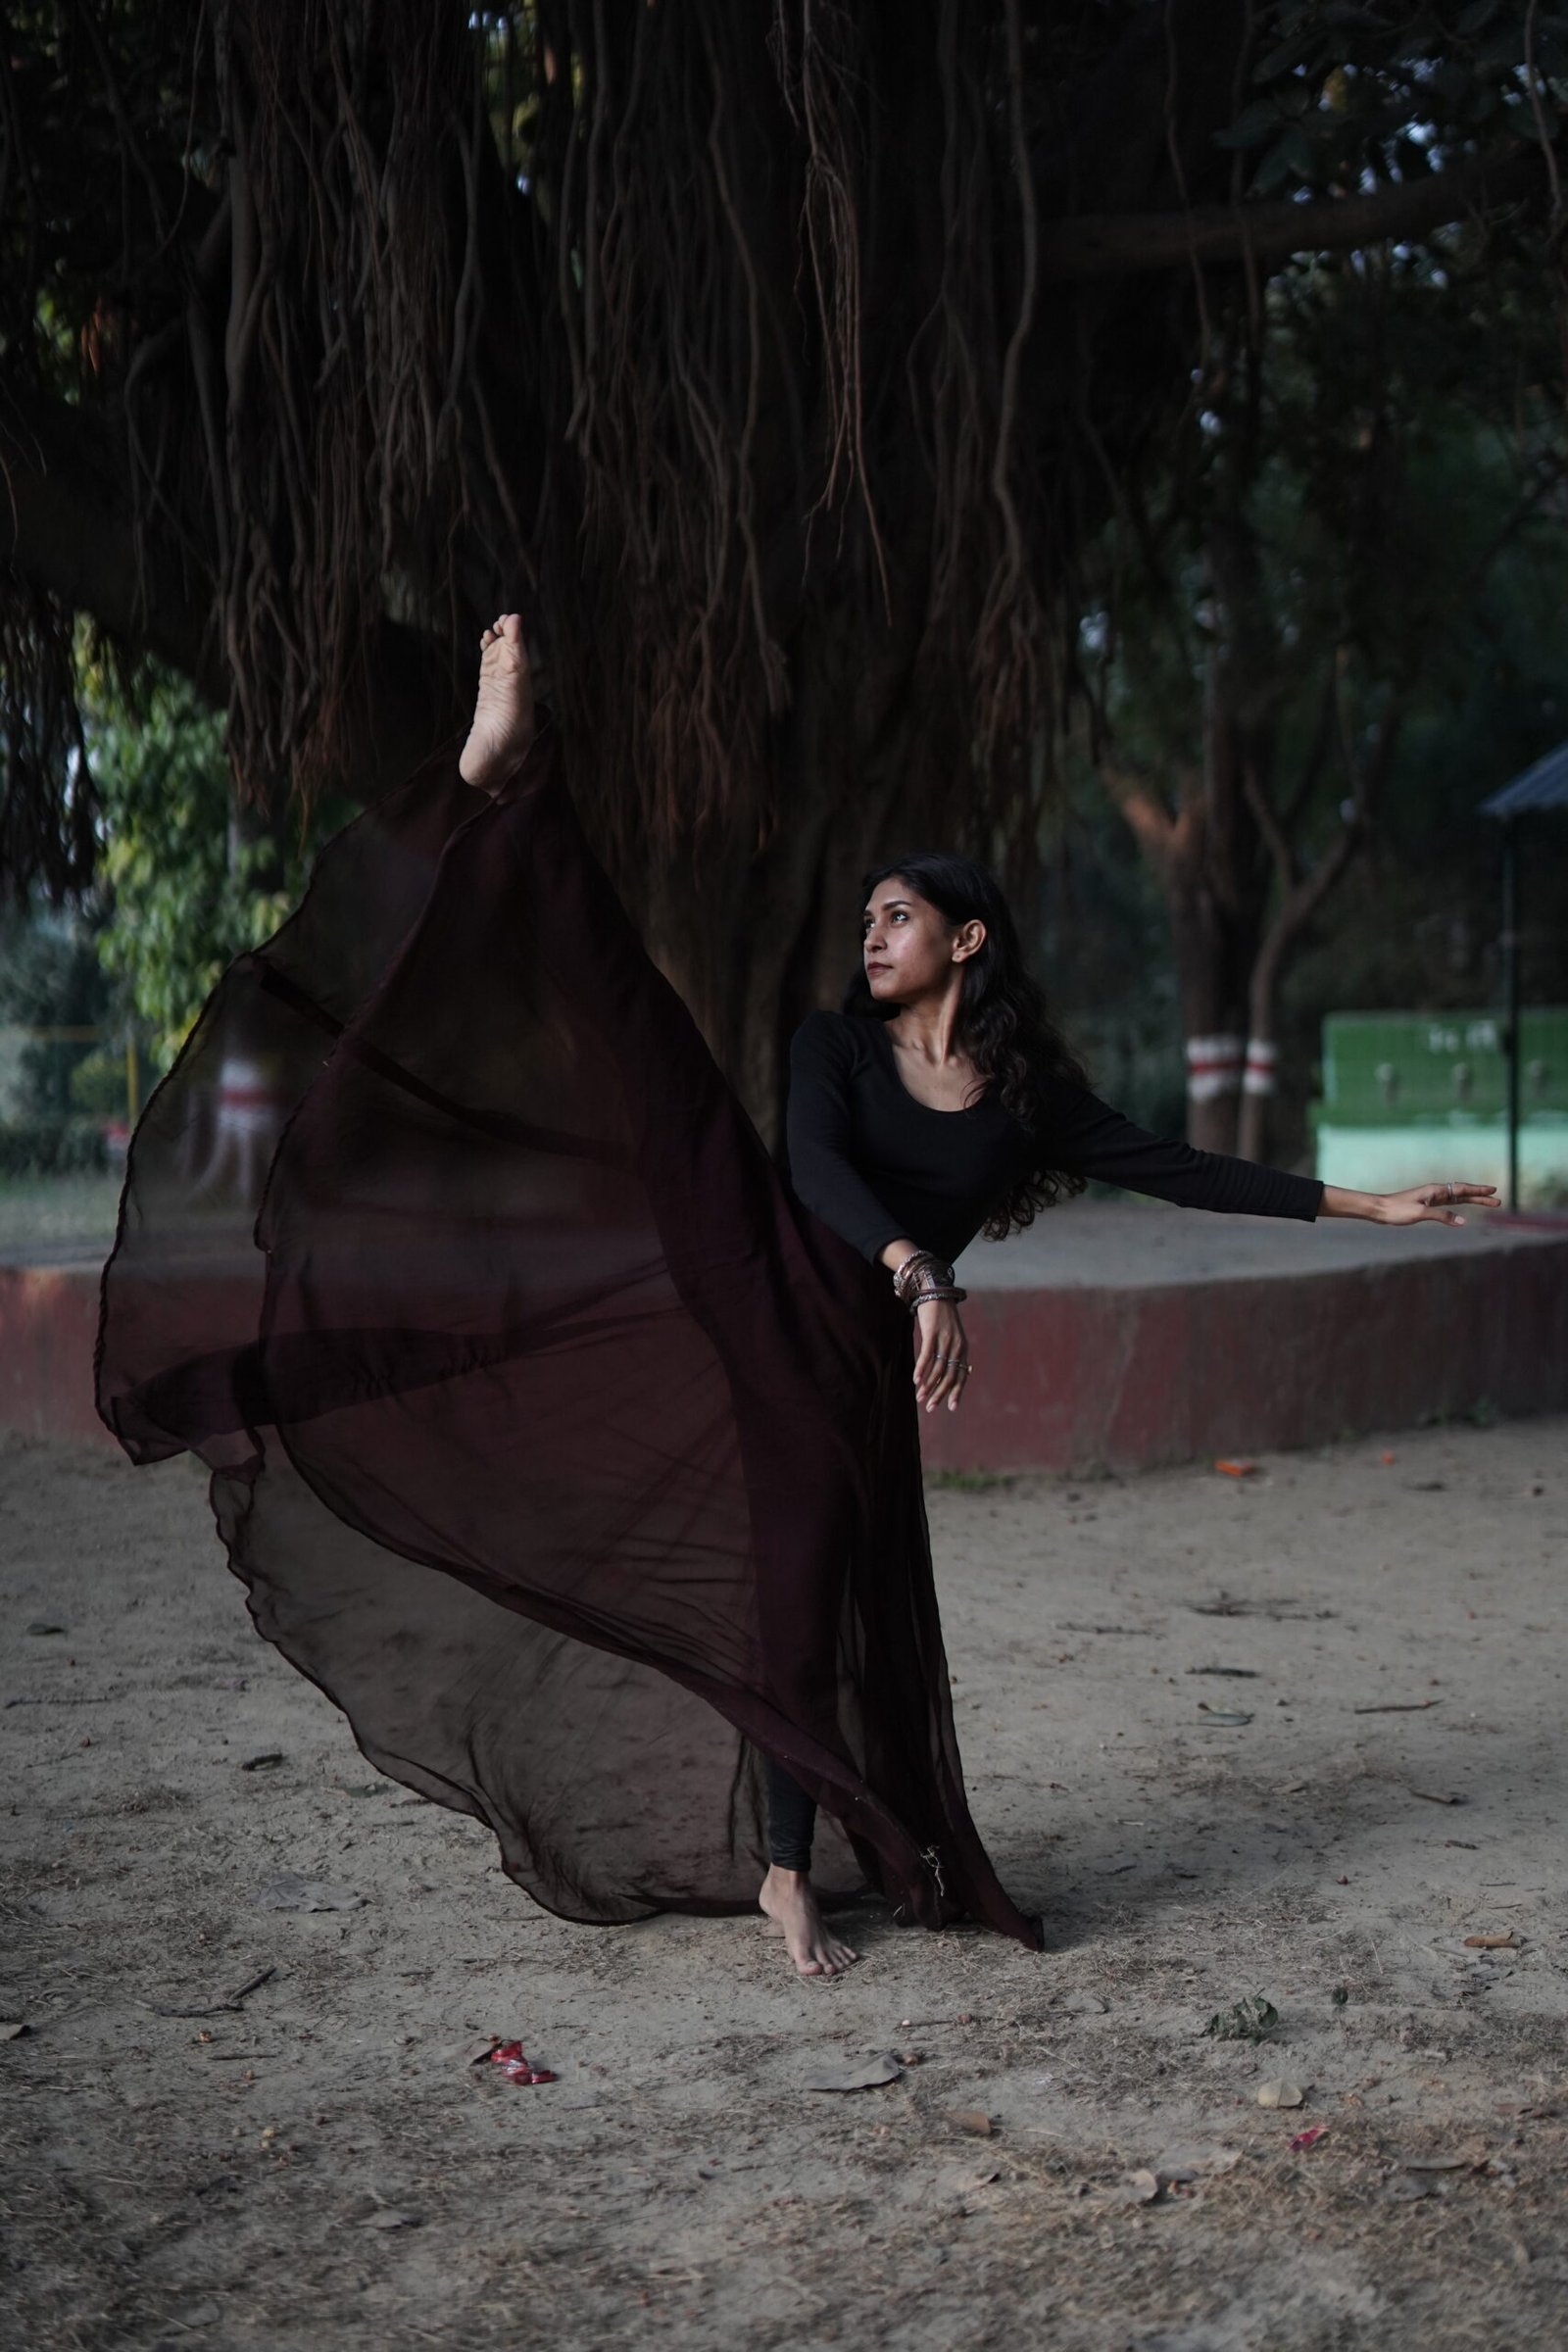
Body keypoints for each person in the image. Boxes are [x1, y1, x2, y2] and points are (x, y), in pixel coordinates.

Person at [97, 614, 1497, 1983]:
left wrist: (1374, 1206)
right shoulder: (837, 1047)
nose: (873, 933)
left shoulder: (1031, 1104)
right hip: (758, 1252)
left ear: (969, 940)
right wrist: (920, 1268)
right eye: (869, 916)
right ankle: (505, 780)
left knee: (805, 1590)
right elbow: (819, 1174)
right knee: (640, 1028)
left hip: (843, 1365)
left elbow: (1185, 1170)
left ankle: (783, 1863)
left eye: (901, 917)